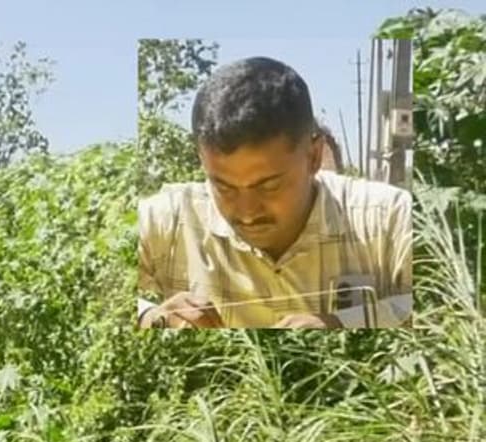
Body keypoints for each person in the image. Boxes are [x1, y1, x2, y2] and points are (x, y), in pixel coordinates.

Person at [136, 56, 413, 329]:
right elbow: (101, 301)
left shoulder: (389, 218)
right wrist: (151, 318)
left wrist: (346, 325)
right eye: (224, 186)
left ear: (313, 156)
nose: (247, 212)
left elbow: (438, 314)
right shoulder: (166, 221)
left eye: (268, 185)